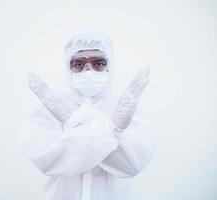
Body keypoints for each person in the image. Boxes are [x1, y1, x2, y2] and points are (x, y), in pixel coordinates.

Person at [19, 32, 153, 200]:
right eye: (79, 64)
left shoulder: (127, 104)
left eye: (98, 63)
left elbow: (131, 165)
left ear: (110, 65)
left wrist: (74, 125)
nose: (88, 71)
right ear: (68, 66)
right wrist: (112, 132)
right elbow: (47, 160)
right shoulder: (48, 104)